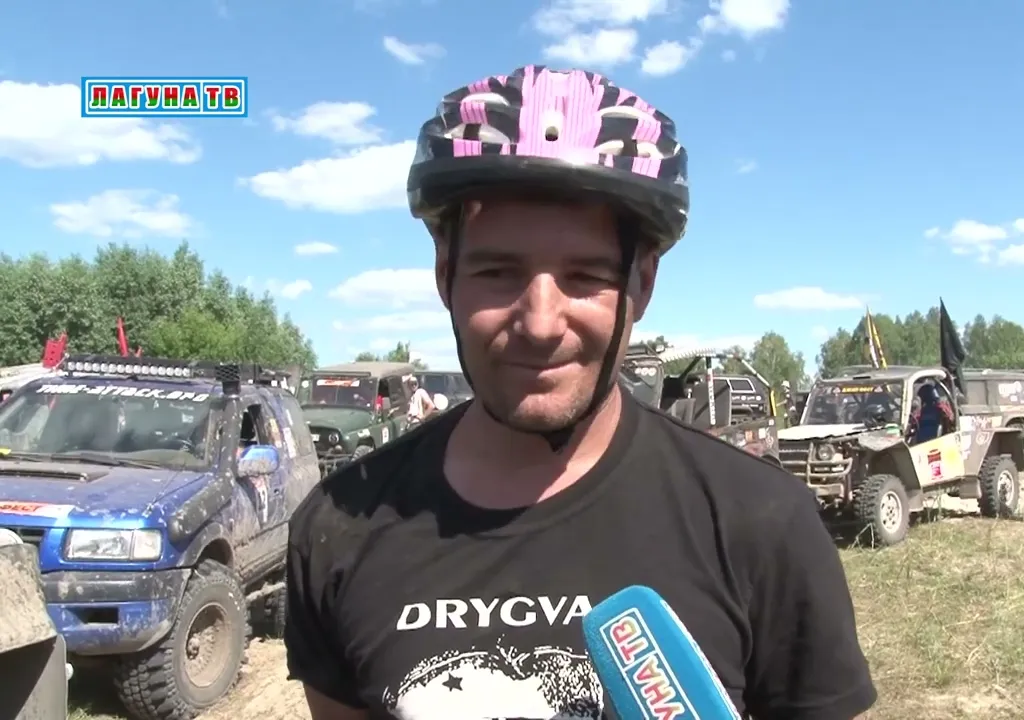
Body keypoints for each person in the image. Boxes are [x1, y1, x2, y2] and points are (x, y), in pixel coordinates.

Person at [285, 65, 877, 720]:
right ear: (446, 275)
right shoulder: (340, 527)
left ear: (641, 286)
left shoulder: (762, 522)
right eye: (497, 271)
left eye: (586, 276)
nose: (541, 323)